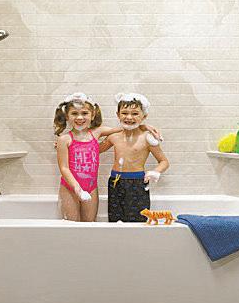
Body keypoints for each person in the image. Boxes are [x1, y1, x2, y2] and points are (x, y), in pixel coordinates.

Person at [54, 92, 161, 222]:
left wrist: (144, 126)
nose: (80, 117)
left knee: (90, 224)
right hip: (70, 187)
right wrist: (77, 188)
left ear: (93, 115)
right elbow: (64, 168)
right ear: (67, 116)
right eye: (74, 113)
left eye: (85, 113)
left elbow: (125, 127)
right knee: (71, 225)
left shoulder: (97, 132)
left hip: (91, 187)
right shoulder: (64, 139)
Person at [101, 93, 169, 222]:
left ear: (144, 116)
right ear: (118, 115)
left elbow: (164, 161)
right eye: (124, 113)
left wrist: (156, 171)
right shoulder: (113, 136)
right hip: (115, 182)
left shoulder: (147, 138)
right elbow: (94, 150)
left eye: (135, 113)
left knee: (138, 221)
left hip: (137, 182)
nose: (129, 117)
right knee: (115, 220)